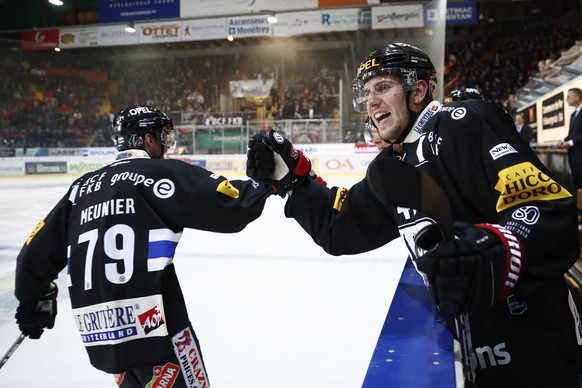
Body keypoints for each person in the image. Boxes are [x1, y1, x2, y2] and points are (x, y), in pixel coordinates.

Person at [247, 43, 582, 387]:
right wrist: (295, 181)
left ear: (418, 90)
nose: (371, 101)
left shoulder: (462, 123)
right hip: (477, 356)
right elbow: (341, 226)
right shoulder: (390, 167)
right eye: (367, 93)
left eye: (383, 87)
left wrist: (492, 251)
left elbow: (544, 209)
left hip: (544, 354)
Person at [14, 104, 275, 388]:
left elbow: (31, 258)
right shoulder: (160, 173)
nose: (166, 143)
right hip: (158, 331)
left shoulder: (80, 189)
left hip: (105, 338)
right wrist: (269, 181)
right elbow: (230, 206)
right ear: (147, 139)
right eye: (161, 135)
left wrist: (36, 301)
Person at [559, 87, 582, 221]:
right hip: (573, 156)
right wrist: (563, 140)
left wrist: (571, 143)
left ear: (577, 97)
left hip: (580, 154)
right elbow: (572, 135)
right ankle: (579, 210)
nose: (567, 99)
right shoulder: (573, 115)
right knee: (577, 183)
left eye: (568, 97)